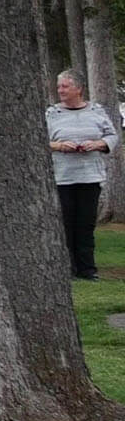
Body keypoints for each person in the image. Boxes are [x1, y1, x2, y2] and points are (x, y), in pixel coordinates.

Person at [46, 68, 118, 280]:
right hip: (62, 177)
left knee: (85, 224)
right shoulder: (52, 113)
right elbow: (41, 140)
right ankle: (67, 269)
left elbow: (112, 136)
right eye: (59, 86)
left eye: (65, 86)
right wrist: (59, 145)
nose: (61, 90)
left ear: (78, 88)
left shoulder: (96, 111)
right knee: (65, 224)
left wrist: (98, 144)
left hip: (89, 177)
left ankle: (87, 269)